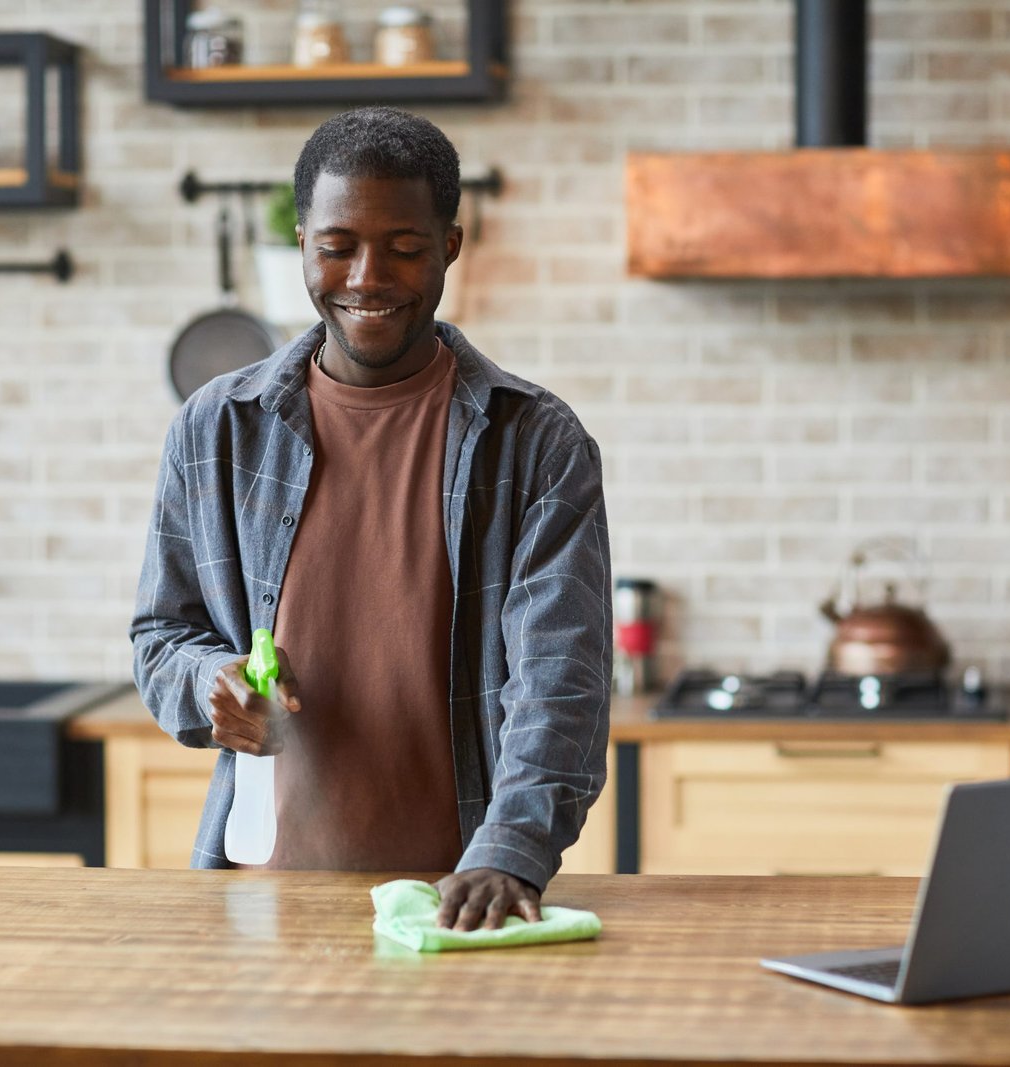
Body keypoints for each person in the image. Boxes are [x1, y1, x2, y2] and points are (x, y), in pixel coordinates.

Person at [130, 106, 611, 932]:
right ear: (303, 245)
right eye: (338, 246)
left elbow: (560, 685)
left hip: (459, 898)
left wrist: (510, 852)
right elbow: (161, 634)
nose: (366, 277)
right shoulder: (215, 428)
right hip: (257, 896)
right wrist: (206, 682)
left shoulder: (537, 442)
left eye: (405, 247)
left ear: (449, 247)